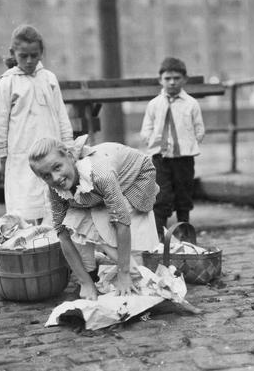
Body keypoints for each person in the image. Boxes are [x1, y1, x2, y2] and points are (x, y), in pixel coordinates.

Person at [28, 136, 159, 301]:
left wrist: (123, 274)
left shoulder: (101, 175)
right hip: (99, 188)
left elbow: (123, 222)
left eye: (57, 167)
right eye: (46, 176)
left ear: (69, 155)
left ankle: (133, 274)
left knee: (107, 225)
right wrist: (84, 282)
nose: (55, 178)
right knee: (73, 223)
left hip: (135, 176)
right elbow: (62, 234)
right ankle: (90, 279)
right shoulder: (55, 189)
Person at [0, 24, 73, 224]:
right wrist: (3, 158)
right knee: (25, 205)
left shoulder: (49, 79)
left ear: (41, 53)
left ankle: (57, 246)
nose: (29, 61)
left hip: (51, 151)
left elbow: (62, 115)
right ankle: (30, 247)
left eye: (34, 55)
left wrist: (69, 147)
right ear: (13, 54)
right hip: (22, 154)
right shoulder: (7, 83)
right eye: (23, 56)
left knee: (56, 203)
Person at [140, 57, 205, 240]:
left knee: (184, 195)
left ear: (185, 79)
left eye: (176, 78)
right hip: (160, 158)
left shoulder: (191, 103)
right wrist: (151, 141)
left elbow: (199, 128)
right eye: (167, 78)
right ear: (160, 80)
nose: (172, 82)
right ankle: (159, 235)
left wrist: (190, 143)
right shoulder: (154, 104)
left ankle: (186, 232)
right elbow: (146, 128)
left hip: (184, 158)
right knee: (161, 196)